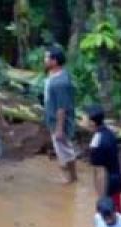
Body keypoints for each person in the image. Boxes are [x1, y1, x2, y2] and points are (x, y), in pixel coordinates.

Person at [43, 46, 77, 183]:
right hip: (53, 117)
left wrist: (59, 128)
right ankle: (71, 176)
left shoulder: (60, 83)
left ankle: (71, 177)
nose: (44, 60)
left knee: (65, 149)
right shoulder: (57, 74)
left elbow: (61, 108)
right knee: (63, 148)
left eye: (47, 57)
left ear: (54, 61)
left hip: (59, 120)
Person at [85, 104, 121, 212]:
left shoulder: (97, 143)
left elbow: (100, 172)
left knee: (110, 221)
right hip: (117, 181)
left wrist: (102, 200)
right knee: (118, 217)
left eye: (83, 119)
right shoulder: (109, 133)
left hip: (108, 186)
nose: (81, 121)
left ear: (92, 123)